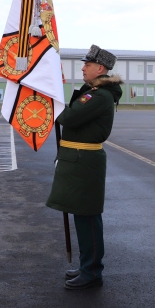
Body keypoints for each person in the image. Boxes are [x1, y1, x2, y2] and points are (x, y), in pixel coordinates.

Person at [46, 45, 123, 290]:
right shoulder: (93, 92)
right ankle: (86, 266)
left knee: (88, 218)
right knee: (82, 217)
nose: (83, 68)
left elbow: (67, 118)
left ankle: (91, 271)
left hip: (84, 162)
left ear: (99, 68)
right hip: (78, 159)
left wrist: (52, 97)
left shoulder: (99, 96)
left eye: (87, 65)